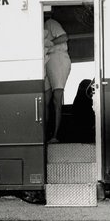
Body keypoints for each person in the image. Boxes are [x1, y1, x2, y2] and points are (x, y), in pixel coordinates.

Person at [44, 10, 71, 143]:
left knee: (56, 100)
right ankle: (45, 135)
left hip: (58, 58)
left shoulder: (50, 23)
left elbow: (64, 37)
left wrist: (50, 43)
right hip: (48, 61)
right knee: (45, 100)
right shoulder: (40, 27)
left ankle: (55, 136)